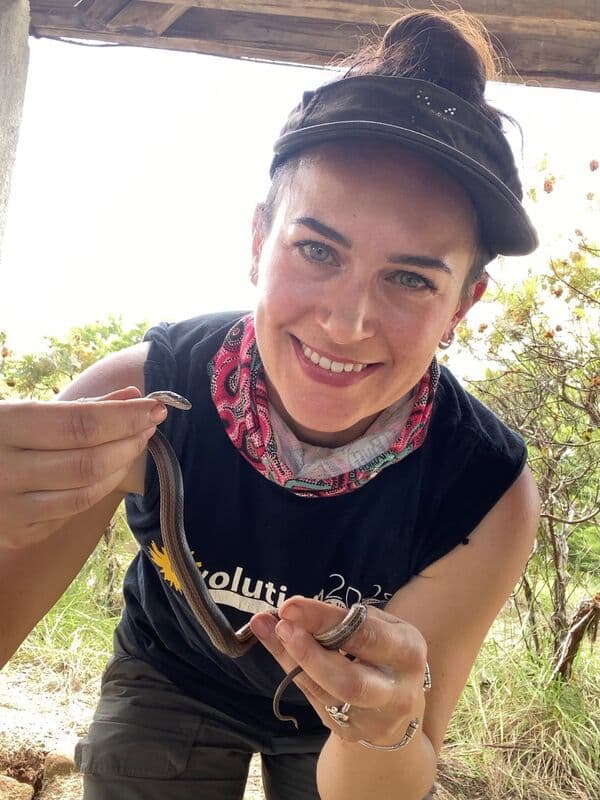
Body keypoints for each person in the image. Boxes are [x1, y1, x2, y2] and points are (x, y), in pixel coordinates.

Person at [0, 10, 541, 800]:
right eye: (317, 250)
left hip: (335, 723)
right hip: (171, 672)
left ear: (465, 302)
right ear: (259, 241)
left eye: (412, 278)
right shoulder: (137, 396)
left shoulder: (485, 492)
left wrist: (387, 725)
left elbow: (393, 766)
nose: (347, 322)